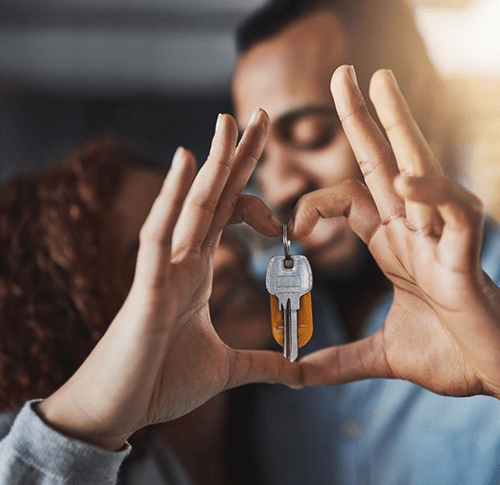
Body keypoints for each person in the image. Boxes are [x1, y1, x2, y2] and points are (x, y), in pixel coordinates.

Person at [230, 0, 500, 482]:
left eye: (313, 134)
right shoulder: (237, 313)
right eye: (259, 159)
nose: (281, 186)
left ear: (427, 110)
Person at [0, 129, 286, 485]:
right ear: (75, 316)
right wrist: (85, 427)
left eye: (209, 228)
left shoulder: (289, 415)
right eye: (164, 251)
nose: (228, 255)